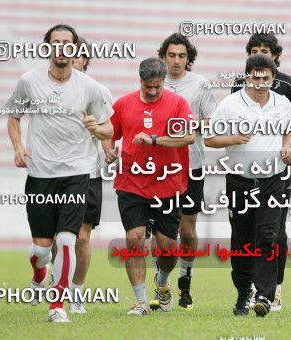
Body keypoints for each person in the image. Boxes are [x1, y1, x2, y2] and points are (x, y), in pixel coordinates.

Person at [6, 24, 113, 322]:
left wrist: (97, 128)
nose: (63, 48)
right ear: (47, 47)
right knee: (41, 248)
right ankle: (39, 270)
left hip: (78, 172)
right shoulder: (28, 81)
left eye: (68, 43)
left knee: (68, 239)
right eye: (57, 42)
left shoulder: (90, 87)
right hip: (40, 174)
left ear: (75, 47)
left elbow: (109, 127)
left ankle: (57, 305)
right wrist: (18, 147)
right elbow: (14, 117)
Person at [205, 54, 291, 317]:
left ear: (273, 79)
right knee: (242, 239)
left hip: (273, 180)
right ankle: (243, 292)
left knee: (268, 235)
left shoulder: (283, 103)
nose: (260, 82)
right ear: (247, 77)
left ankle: (264, 296)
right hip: (240, 180)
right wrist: (233, 138)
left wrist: (286, 147)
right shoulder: (230, 105)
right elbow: (209, 139)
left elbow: (288, 129)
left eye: (265, 78)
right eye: (255, 77)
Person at [106, 57, 194, 316]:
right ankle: (140, 300)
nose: (154, 92)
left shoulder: (178, 104)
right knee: (134, 239)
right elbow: (108, 133)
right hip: (131, 182)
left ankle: (163, 281)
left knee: (167, 247)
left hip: (168, 182)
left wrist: (155, 139)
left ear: (163, 81)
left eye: (158, 86)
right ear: (140, 81)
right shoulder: (123, 104)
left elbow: (187, 137)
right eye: (148, 87)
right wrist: (109, 150)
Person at [231, 33, 291, 311]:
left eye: (264, 50)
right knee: (247, 230)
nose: (258, 54)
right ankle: (251, 289)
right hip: (244, 171)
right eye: (253, 50)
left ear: (275, 55)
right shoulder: (240, 85)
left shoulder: (288, 86)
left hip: (278, 170)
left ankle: (274, 289)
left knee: (276, 231)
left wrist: (284, 145)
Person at [148, 33, 216, 311]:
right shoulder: (153, 84)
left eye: (182, 56)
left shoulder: (200, 84)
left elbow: (212, 122)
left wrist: (186, 126)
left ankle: (185, 284)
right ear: (163, 56)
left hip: (191, 166)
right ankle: (161, 282)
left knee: (187, 232)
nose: (176, 61)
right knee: (161, 234)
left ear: (189, 59)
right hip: (159, 168)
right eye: (171, 55)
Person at [67, 36, 114, 314]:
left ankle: (76, 293)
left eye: (77, 55)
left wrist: (108, 149)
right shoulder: (49, 91)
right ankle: (57, 271)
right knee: (59, 237)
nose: (71, 59)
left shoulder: (98, 90)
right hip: (53, 174)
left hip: (88, 172)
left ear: (85, 60)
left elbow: (108, 127)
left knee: (82, 236)